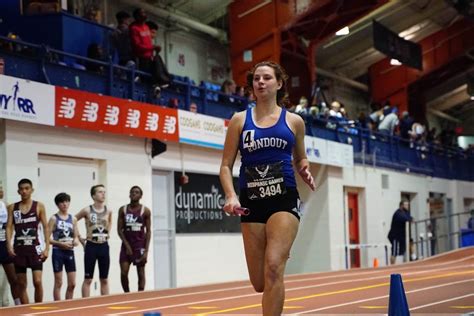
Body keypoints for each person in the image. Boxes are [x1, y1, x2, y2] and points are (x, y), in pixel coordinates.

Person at [219, 61, 315, 316]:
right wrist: (230, 195)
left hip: (284, 199)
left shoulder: (294, 121)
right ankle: (278, 251)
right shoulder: (240, 121)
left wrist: (304, 167)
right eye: (256, 78)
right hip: (251, 202)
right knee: (259, 282)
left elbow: (301, 157)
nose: (260, 82)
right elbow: (226, 166)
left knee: (273, 267)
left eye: (267, 78)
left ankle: (280, 250)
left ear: (279, 83)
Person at [6, 179, 49, 304]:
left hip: (35, 248)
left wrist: (47, 248)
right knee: (21, 283)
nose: (24, 191)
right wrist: (9, 246)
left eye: (27, 188)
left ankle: (39, 308)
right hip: (19, 249)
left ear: (32, 190)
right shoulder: (12, 207)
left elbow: (46, 227)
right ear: (18, 191)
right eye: (21, 189)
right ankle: (26, 310)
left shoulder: (39, 206)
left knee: (37, 281)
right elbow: (9, 226)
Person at [75, 185, 112, 297]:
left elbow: (110, 222)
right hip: (91, 246)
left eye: (104, 192)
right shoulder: (87, 210)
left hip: (104, 246)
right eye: (100, 192)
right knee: (88, 279)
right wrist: (79, 237)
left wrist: (108, 233)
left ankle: (105, 304)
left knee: (104, 279)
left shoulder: (108, 210)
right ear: (93, 195)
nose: (103, 194)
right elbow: (73, 219)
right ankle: (85, 304)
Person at [117, 186, 151, 292]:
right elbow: (119, 230)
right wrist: (126, 245)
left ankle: (140, 294)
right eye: (132, 192)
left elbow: (148, 231)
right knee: (123, 272)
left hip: (139, 244)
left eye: (137, 192)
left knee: (140, 273)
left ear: (141, 196)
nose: (134, 193)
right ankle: (127, 294)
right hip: (127, 245)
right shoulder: (123, 209)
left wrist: (146, 251)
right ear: (129, 194)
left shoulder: (145, 211)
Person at [48, 193, 79, 300]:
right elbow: (46, 239)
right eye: (62, 202)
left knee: (72, 283)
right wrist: (60, 244)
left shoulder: (73, 219)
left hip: (69, 252)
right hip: (58, 252)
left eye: (67, 201)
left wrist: (75, 241)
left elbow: (76, 236)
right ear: (57, 204)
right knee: (59, 282)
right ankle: (58, 306)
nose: (65, 204)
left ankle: (68, 304)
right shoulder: (53, 218)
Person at [0, 185, 20, 306]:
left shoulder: (7, 206)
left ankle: (17, 304)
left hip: (4, 244)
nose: (1, 191)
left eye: (1, 188)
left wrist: (10, 242)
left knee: (14, 278)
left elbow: (11, 225)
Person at [387, 200, 413, 264]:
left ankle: (412, 257)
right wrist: (410, 219)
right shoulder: (398, 213)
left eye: (408, 205)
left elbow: (411, 219)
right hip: (395, 236)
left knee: (410, 243)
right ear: (401, 206)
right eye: (406, 205)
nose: (407, 206)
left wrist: (410, 218)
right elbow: (407, 219)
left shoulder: (406, 212)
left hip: (402, 235)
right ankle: (392, 265)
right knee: (394, 251)